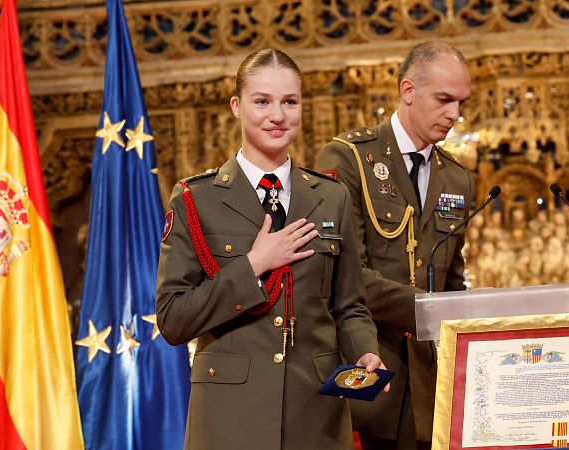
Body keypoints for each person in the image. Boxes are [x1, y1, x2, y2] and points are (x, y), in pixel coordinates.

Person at [156, 48, 387, 450]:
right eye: (262, 101)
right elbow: (173, 319)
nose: (277, 115)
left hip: (315, 414)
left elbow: (349, 306)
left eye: (289, 102)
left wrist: (365, 352)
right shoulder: (197, 199)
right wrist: (253, 265)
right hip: (230, 416)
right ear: (236, 106)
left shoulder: (331, 196)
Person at [314, 41, 474, 450]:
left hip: (431, 387)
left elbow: (453, 282)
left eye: (460, 102)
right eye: (444, 100)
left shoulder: (457, 179)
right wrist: (430, 307)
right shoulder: (348, 158)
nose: (454, 114)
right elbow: (343, 275)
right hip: (368, 375)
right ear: (408, 91)